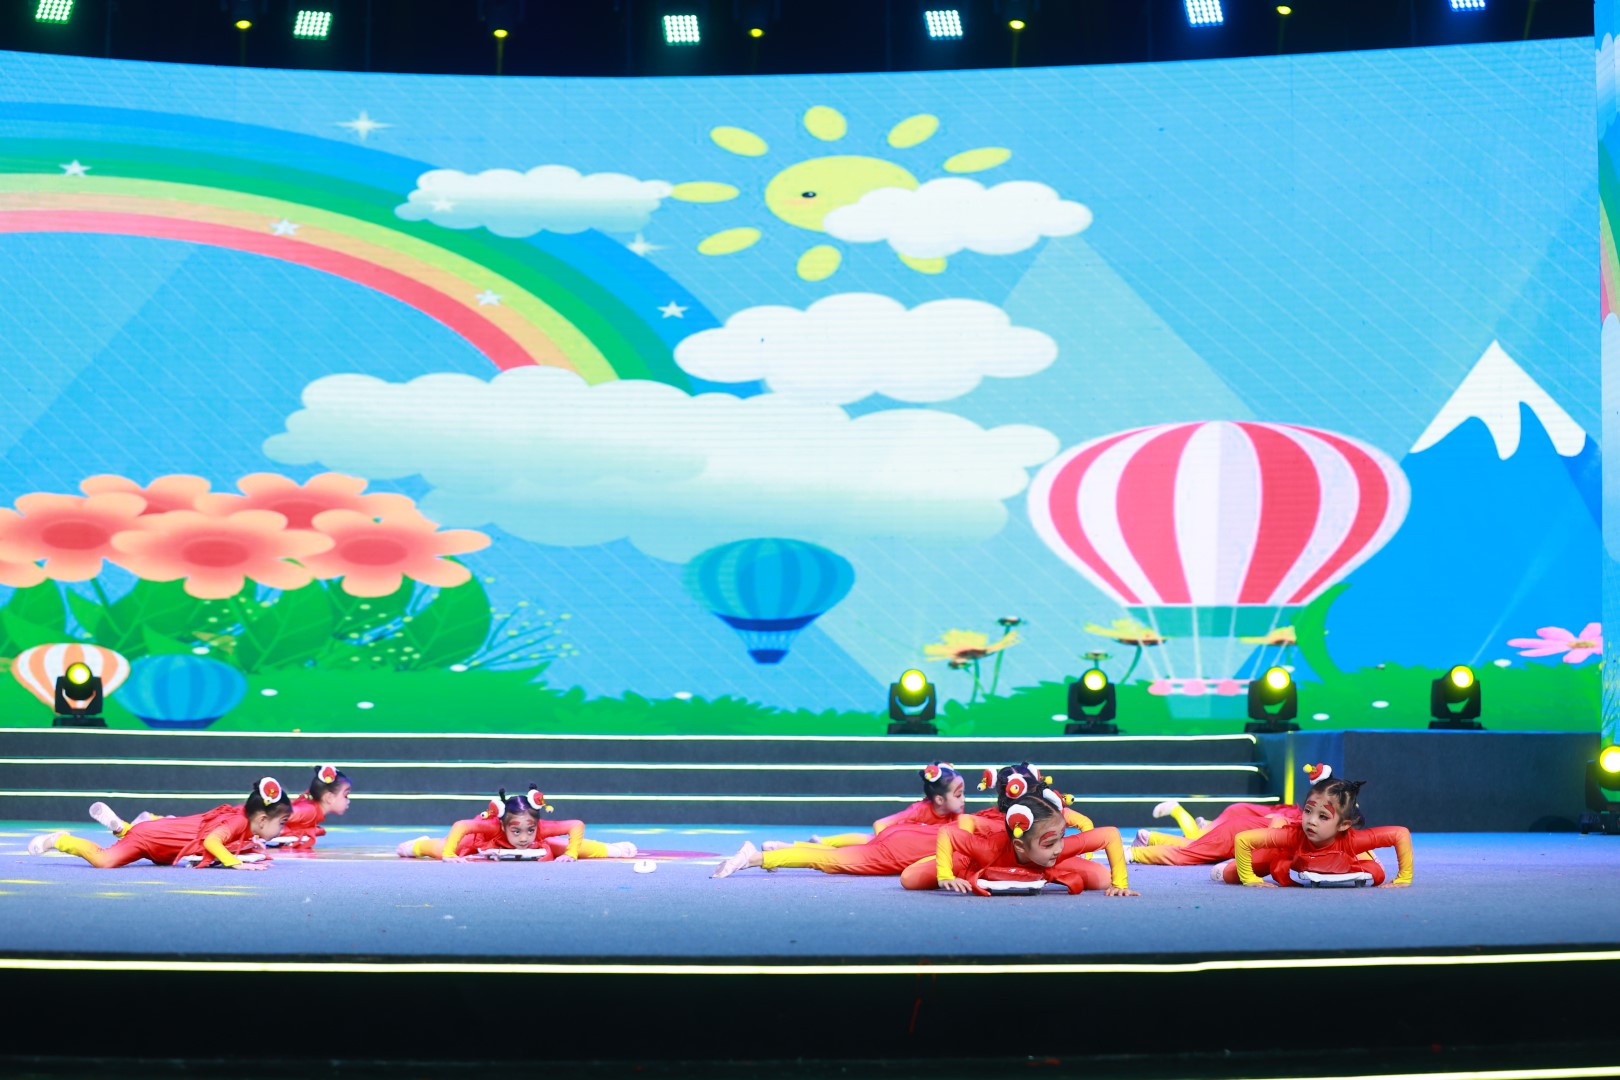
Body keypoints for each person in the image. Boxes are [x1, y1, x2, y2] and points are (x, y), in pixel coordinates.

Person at [902, 792, 1138, 897]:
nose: (1059, 847)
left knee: (1102, 879)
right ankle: (937, 862)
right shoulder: (987, 849)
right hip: (977, 863)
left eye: (1061, 838)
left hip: (1041, 864)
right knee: (910, 879)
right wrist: (945, 874)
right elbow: (947, 833)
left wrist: (1120, 884)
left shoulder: (1058, 849)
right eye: (1050, 843)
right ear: (1020, 846)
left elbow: (1110, 835)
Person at [1213, 765, 1413, 887]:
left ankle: (1366, 855)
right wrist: (1250, 878)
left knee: (1374, 869)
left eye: (1323, 816)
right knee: (1231, 875)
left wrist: (1404, 877)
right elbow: (1243, 839)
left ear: (1343, 825)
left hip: (1340, 854)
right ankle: (1276, 821)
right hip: (1287, 850)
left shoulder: (1354, 840)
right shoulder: (1293, 836)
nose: (1311, 820)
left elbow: (1400, 834)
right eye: (1308, 811)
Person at [30, 777, 292, 870]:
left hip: (163, 848)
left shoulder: (243, 822)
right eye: (281, 822)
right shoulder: (236, 821)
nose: (282, 829)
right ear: (261, 819)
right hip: (151, 840)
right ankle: (61, 840)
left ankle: (123, 828)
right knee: (104, 861)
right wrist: (235, 863)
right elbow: (212, 841)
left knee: (153, 844)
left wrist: (250, 848)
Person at [88, 764, 352, 850]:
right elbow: (277, 818)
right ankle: (147, 822)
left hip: (243, 818)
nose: (349, 801)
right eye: (346, 795)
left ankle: (147, 822)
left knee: (190, 830)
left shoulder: (311, 810)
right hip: (240, 819)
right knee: (193, 835)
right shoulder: (308, 810)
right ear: (329, 797)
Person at [763, 762, 967, 851]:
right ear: (939, 800)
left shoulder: (956, 812)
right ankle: (781, 847)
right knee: (837, 850)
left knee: (834, 848)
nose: (964, 800)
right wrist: (887, 847)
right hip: (885, 844)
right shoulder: (919, 811)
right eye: (959, 795)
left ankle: (800, 845)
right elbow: (880, 824)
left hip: (903, 846)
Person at [396, 786, 636, 861]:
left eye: (530, 830)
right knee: (451, 847)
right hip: (485, 841)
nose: (524, 837)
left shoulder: (541, 830)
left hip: (525, 841)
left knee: (561, 846)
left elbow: (576, 825)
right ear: (504, 826)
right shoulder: (492, 827)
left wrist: (571, 853)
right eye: (516, 831)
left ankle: (612, 849)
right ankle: (417, 845)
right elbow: (461, 825)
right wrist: (448, 854)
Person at [1126, 800, 1300, 866]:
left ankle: (1149, 839)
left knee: (1198, 846)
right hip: (1238, 826)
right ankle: (1133, 851)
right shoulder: (1296, 822)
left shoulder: (1300, 819)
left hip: (1240, 825)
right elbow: (1274, 823)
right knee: (1191, 850)